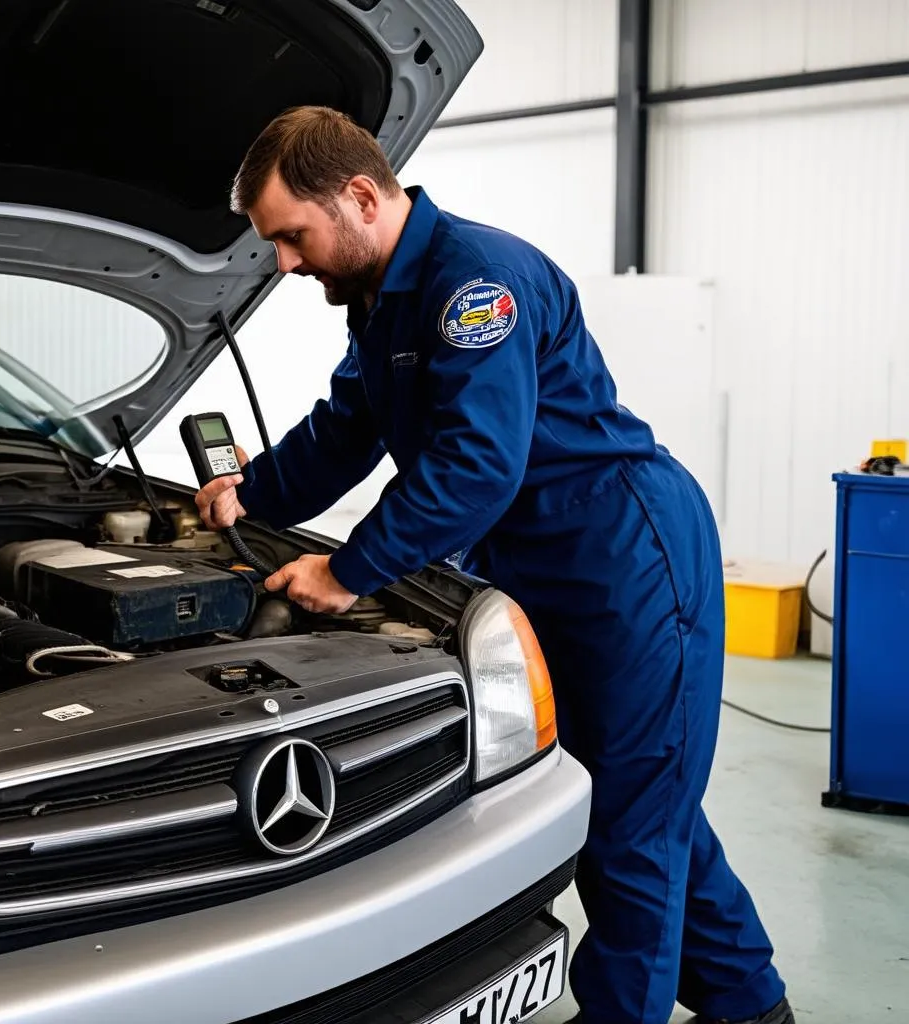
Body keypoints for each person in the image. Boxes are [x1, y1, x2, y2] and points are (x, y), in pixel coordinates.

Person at [194, 105, 794, 1024]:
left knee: (631, 830)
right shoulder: (384, 299)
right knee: (647, 803)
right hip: (537, 562)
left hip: (625, 557)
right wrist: (252, 493)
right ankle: (752, 1005)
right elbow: (344, 432)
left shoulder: (476, 282)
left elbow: (478, 465)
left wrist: (347, 574)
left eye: (290, 236)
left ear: (358, 196)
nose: (284, 262)